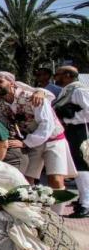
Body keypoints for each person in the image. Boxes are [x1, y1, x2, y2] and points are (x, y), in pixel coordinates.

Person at [0, 71, 75, 210]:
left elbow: (46, 124)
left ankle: (56, 218)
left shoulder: (33, 97)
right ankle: (31, 214)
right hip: (31, 143)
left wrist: (26, 143)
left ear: (11, 83)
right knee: (26, 179)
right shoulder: (0, 108)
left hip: (53, 140)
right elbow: (8, 128)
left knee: (55, 179)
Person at [53, 66, 89, 218]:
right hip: (71, 130)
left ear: (68, 75)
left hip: (80, 130)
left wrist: (68, 118)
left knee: (82, 166)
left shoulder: (79, 90)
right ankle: (83, 198)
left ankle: (86, 204)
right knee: (76, 166)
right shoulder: (68, 90)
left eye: (58, 74)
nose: (55, 77)